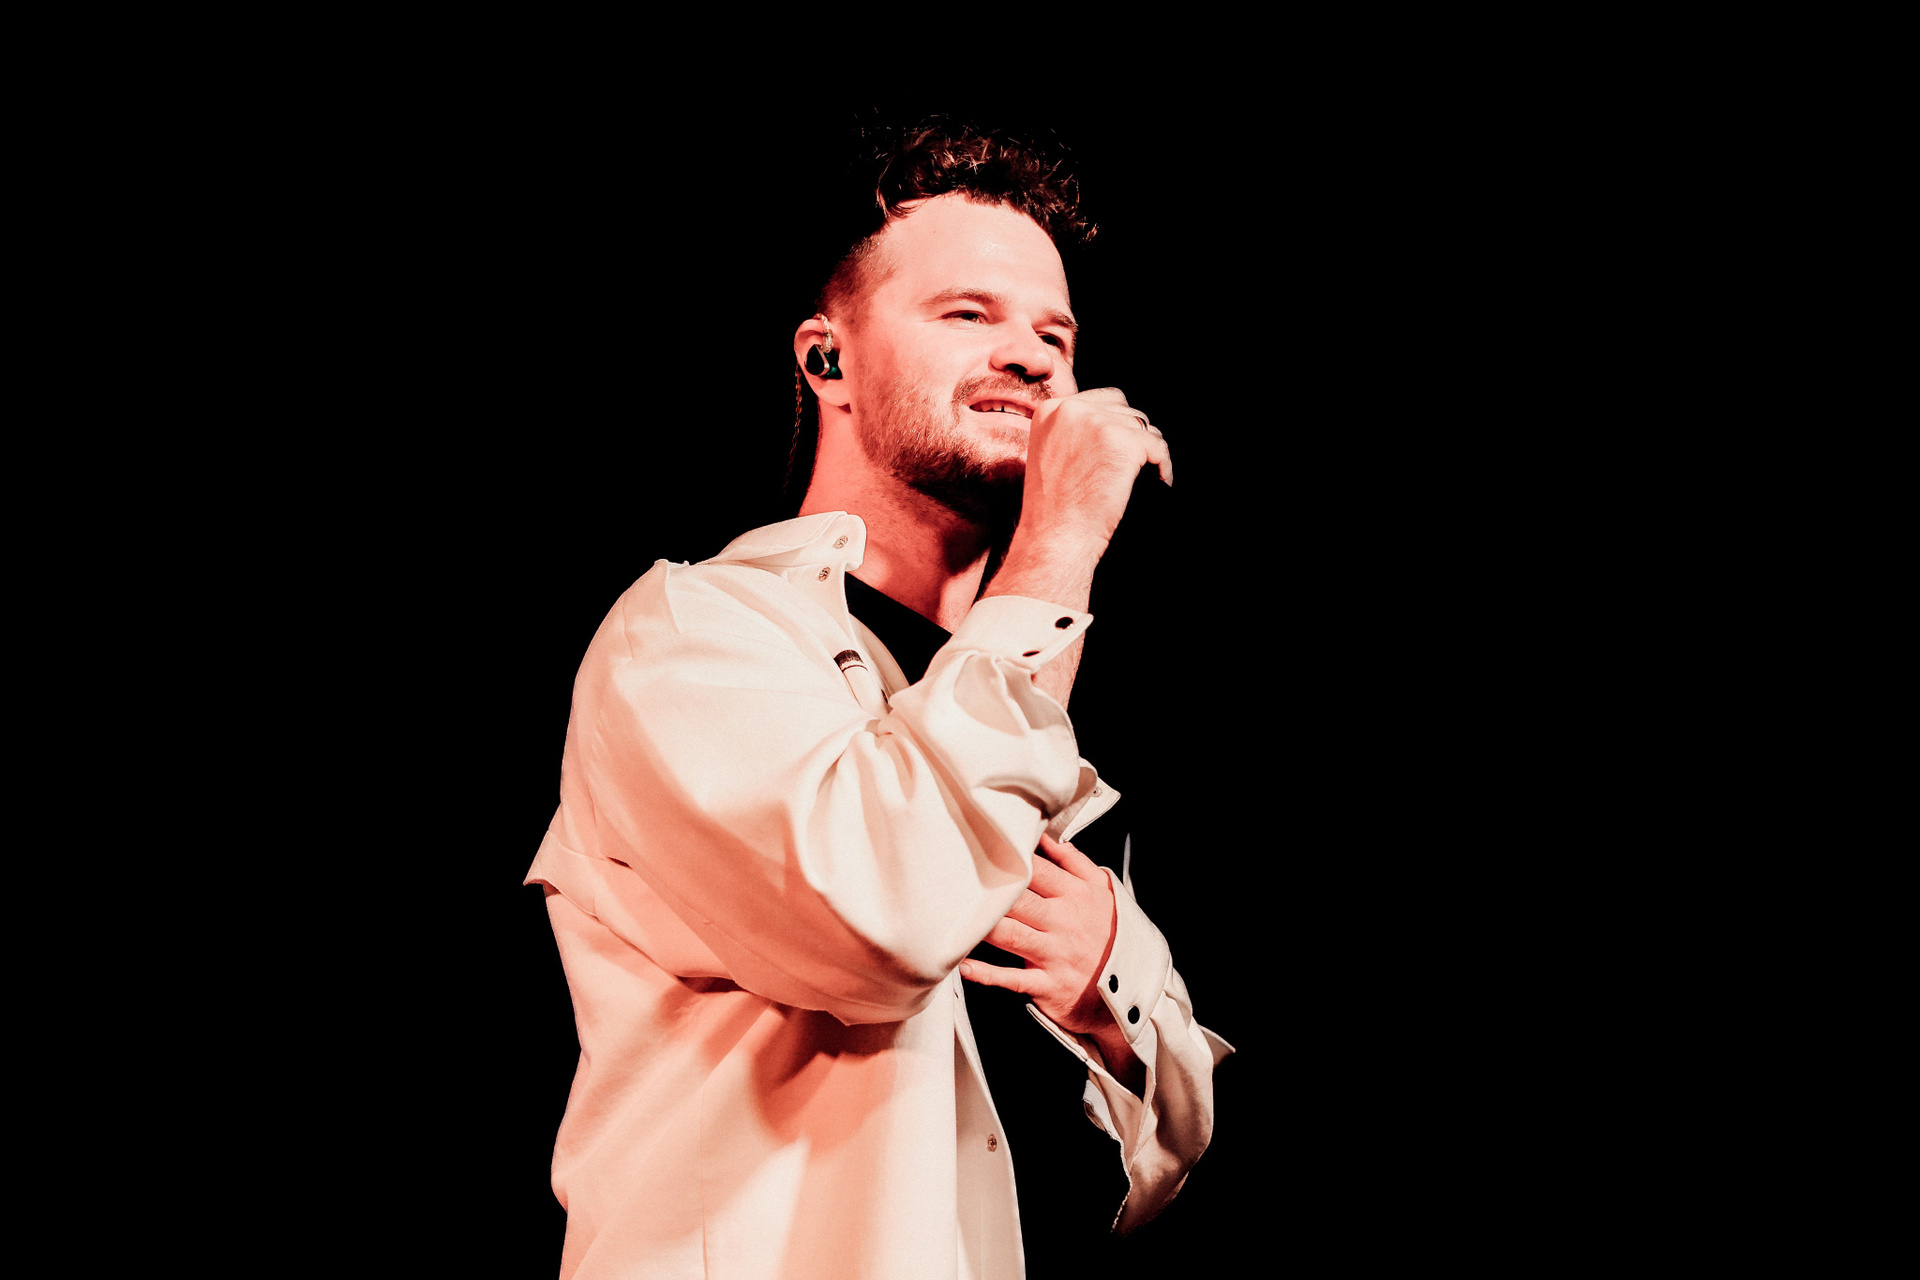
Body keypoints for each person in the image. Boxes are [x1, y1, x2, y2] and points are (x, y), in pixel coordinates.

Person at [526, 119, 1232, 1279]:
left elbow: (1175, 1142)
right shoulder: (693, 635)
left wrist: (1113, 981)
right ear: (827, 361)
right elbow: (885, 917)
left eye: (1054, 332)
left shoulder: (1043, 685)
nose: (1032, 358)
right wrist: (1060, 539)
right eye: (969, 314)